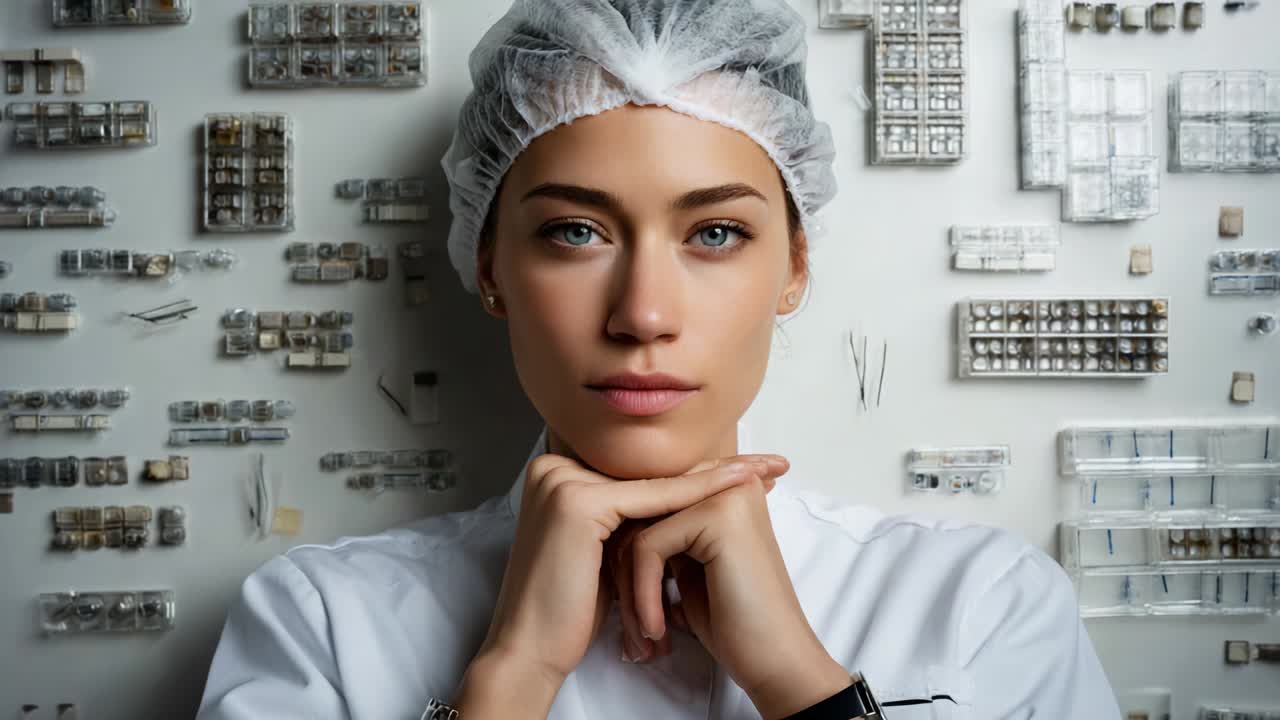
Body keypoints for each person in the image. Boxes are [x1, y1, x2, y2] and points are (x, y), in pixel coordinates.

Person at [197, 0, 1122, 718]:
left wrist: (803, 686)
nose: (643, 313)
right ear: (489, 266)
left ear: (794, 267)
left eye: (715, 232)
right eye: (573, 231)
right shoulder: (319, 620)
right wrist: (510, 678)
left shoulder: (981, 605)